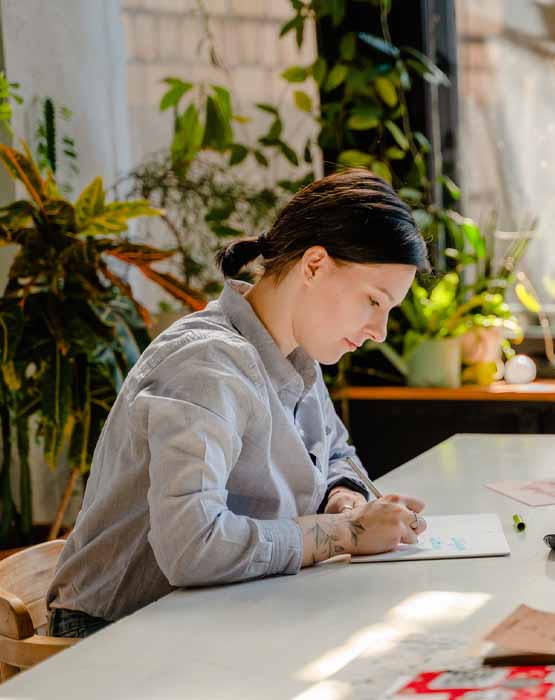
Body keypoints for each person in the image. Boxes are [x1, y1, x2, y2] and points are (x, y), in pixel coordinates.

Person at [46, 170, 430, 638]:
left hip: (216, 614)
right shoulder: (207, 364)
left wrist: (342, 499)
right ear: (314, 266)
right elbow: (192, 544)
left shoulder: (297, 353)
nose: (379, 331)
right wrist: (345, 535)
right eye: (373, 301)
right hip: (115, 633)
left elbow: (334, 453)